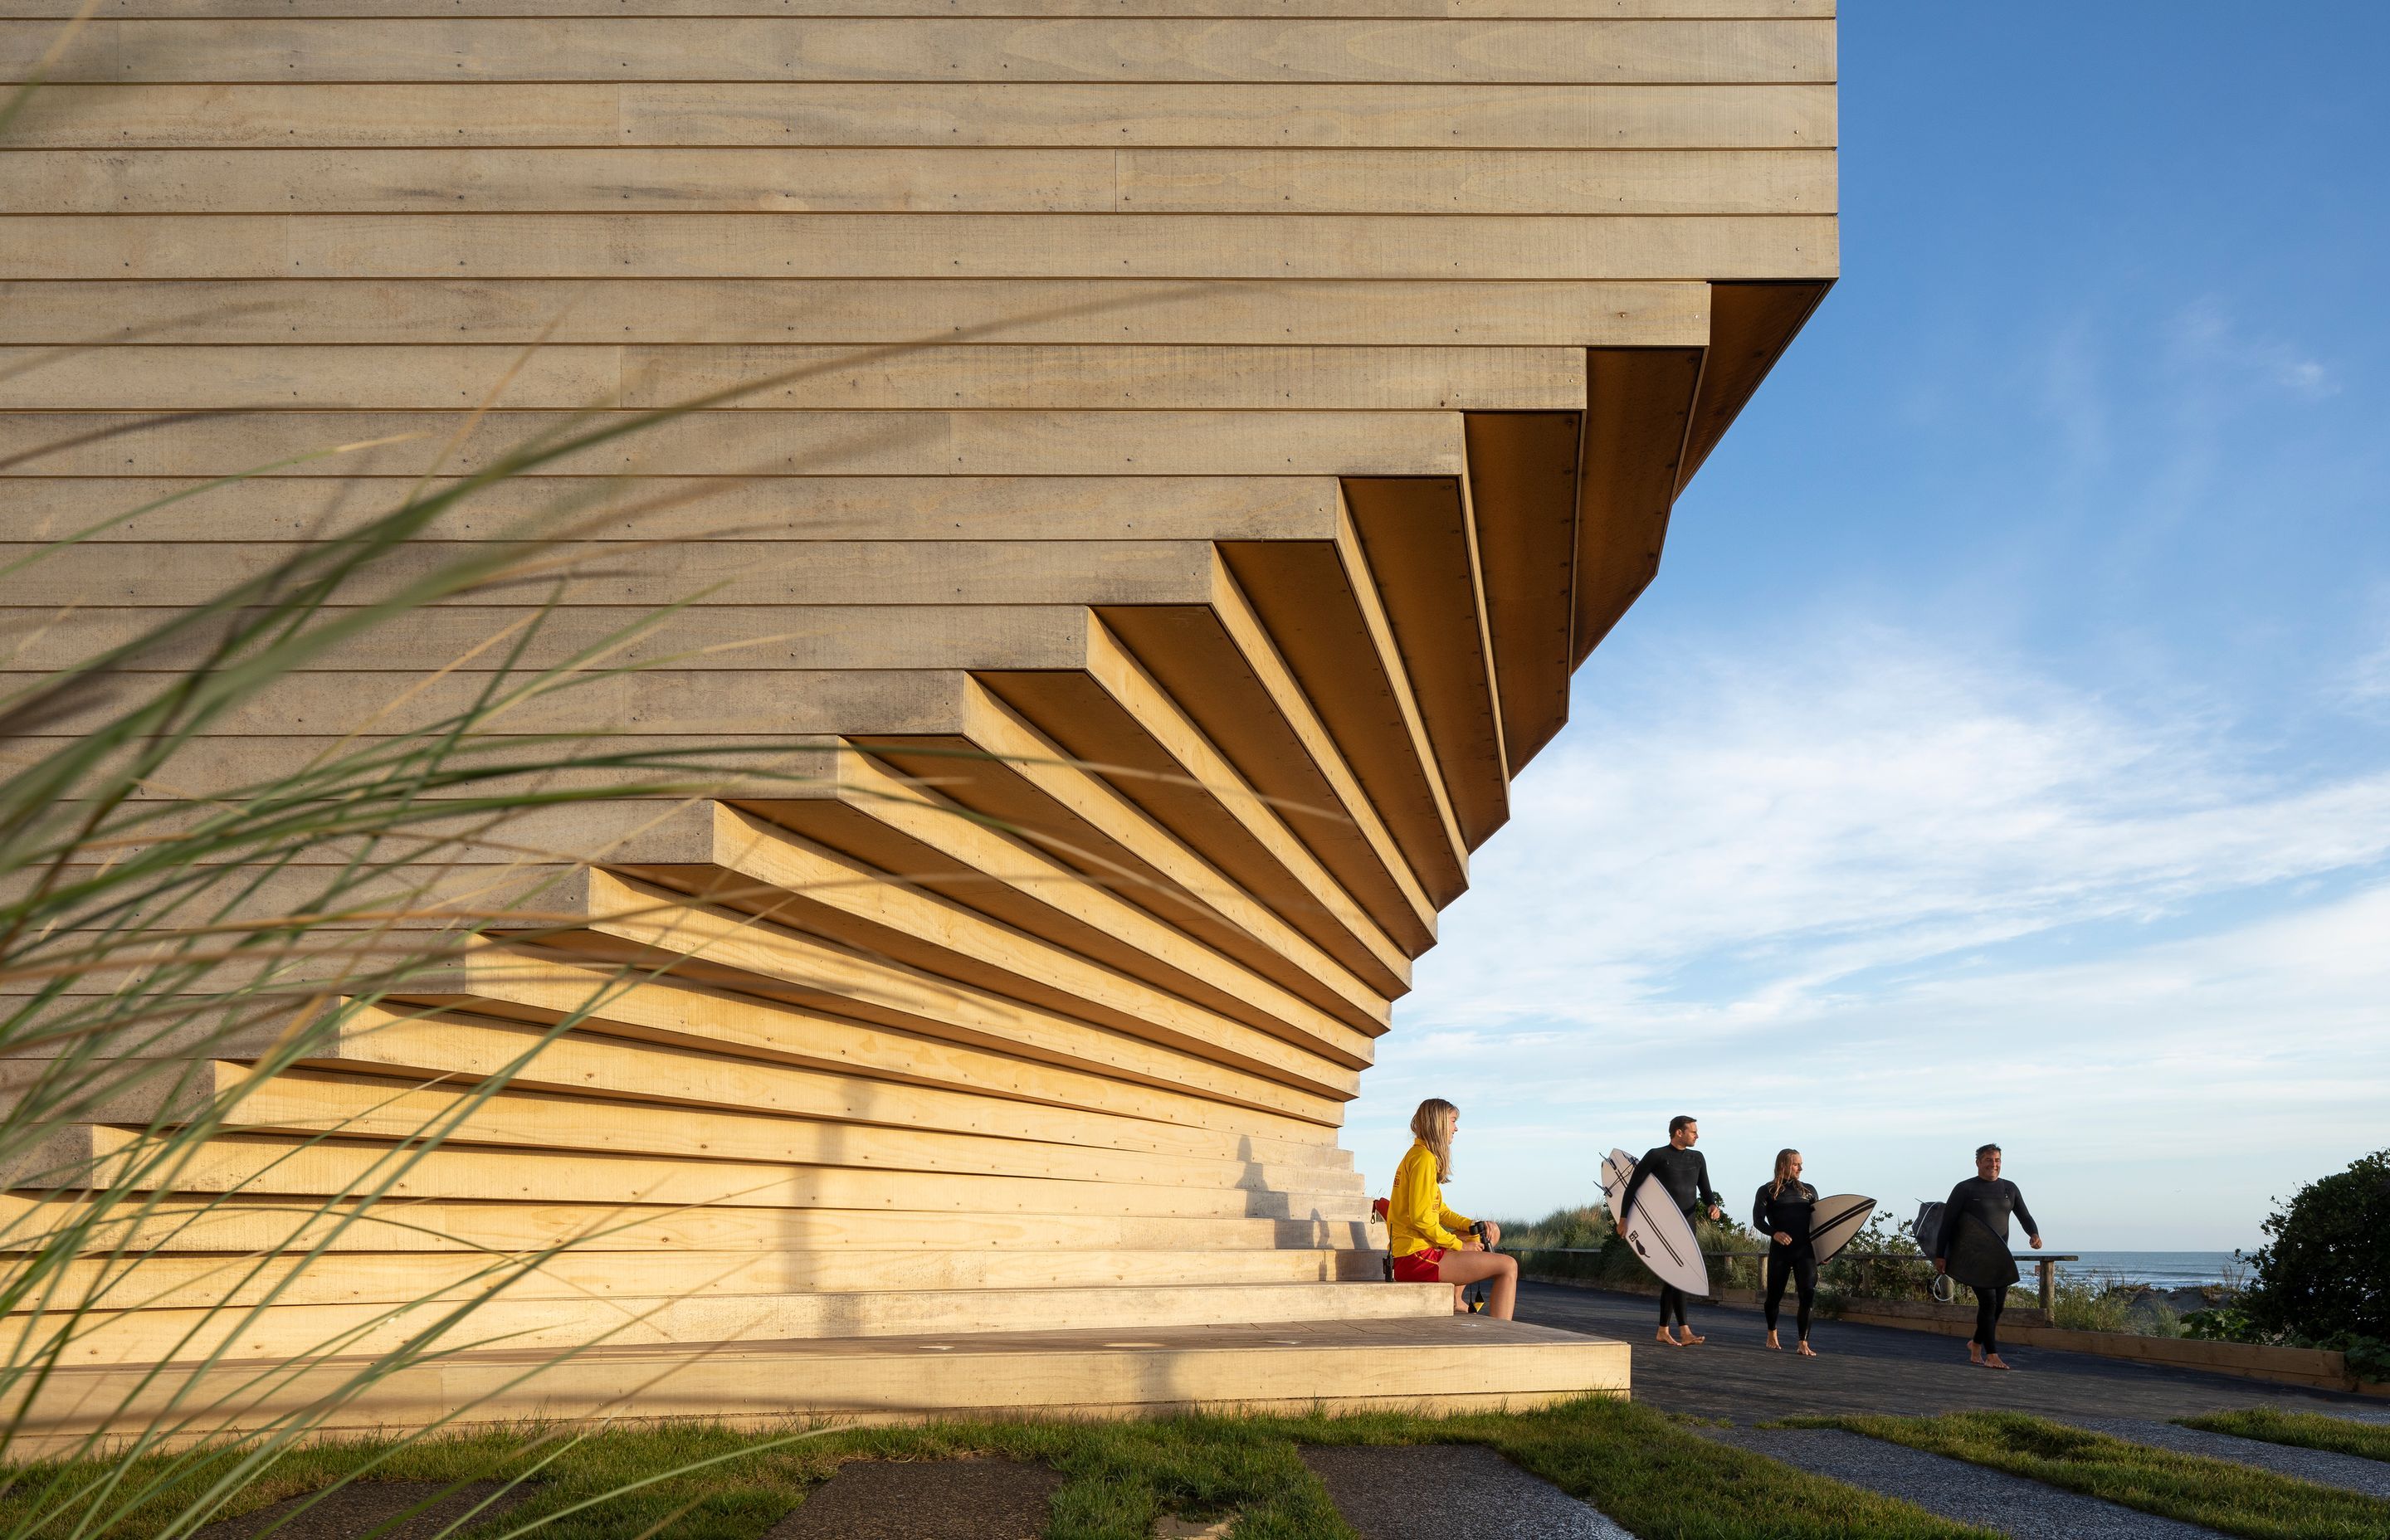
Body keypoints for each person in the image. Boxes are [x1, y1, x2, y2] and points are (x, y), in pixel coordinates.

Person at [1386, 1098, 1518, 1319]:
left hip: (1416, 1253)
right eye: (1453, 1121)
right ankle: (1501, 1335)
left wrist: (1472, 1226)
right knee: (1508, 1267)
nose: (1456, 1128)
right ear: (1438, 1123)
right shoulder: (1423, 1160)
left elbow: (1440, 1211)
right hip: (1415, 1258)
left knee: (1486, 1233)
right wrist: (1459, 1245)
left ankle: (1456, 1301)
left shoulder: (1421, 1156)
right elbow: (1421, 1219)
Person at [1932, 1142, 2042, 1371]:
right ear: (1978, 1163)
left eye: (1997, 1161)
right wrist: (1940, 1255)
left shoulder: (2009, 1188)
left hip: (1999, 1258)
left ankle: (1976, 1343)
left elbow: (2024, 1215)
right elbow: (1947, 1224)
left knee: (1998, 1306)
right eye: (1989, 1160)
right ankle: (1992, 1355)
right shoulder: (1965, 1189)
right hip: (1974, 1259)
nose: (1994, 1165)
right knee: (1989, 1302)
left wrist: (2033, 1234)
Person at [1623, 1114, 1722, 1347]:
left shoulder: (1697, 1158)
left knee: (1674, 1277)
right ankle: (1683, 1330)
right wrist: (1624, 1218)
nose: (1697, 1135)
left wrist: (1711, 1205)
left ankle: (1663, 1330)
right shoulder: (1657, 1156)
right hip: (1663, 1228)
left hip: (1687, 1227)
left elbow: (1705, 1189)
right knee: (1677, 1276)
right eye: (1693, 1131)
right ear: (1679, 1132)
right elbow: (1633, 1186)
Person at [1752, 1148, 1821, 1357]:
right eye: (1796, 1164)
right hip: (1781, 1252)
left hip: (1805, 1251)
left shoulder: (1809, 1191)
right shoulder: (1767, 1191)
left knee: (1808, 1295)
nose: (1800, 1168)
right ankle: (1772, 1332)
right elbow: (1758, 1221)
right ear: (1783, 1165)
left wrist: (1825, 1251)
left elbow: (1819, 1225)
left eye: (1800, 1164)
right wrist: (1775, 1233)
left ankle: (1803, 1342)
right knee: (1774, 1297)